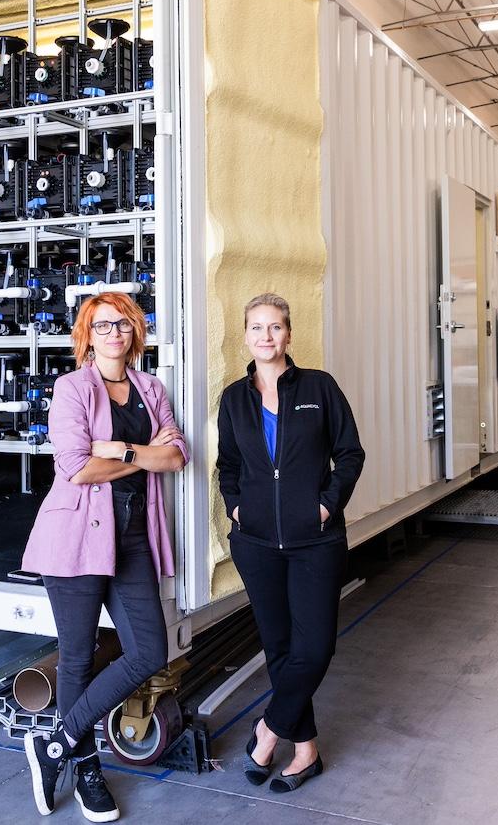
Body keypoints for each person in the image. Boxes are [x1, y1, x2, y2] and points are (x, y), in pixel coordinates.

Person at [20, 292, 188, 822]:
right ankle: (88, 770)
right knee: (76, 657)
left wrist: (120, 451)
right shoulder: (71, 388)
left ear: (135, 332)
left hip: (133, 537)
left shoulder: (151, 388)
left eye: (124, 323)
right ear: (88, 334)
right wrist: (143, 456)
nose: (115, 332)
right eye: (104, 324)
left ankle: (56, 744)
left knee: (149, 651)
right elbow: (75, 468)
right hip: (74, 537)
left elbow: (177, 455)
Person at [216, 292, 364, 792]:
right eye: (256, 327)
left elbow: (350, 454)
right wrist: (237, 508)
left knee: (315, 647)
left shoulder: (319, 388)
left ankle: (265, 732)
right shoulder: (235, 398)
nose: (266, 336)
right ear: (245, 336)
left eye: (275, 327)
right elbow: (228, 467)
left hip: (314, 542)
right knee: (279, 649)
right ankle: (305, 751)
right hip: (256, 543)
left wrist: (325, 505)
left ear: (289, 334)